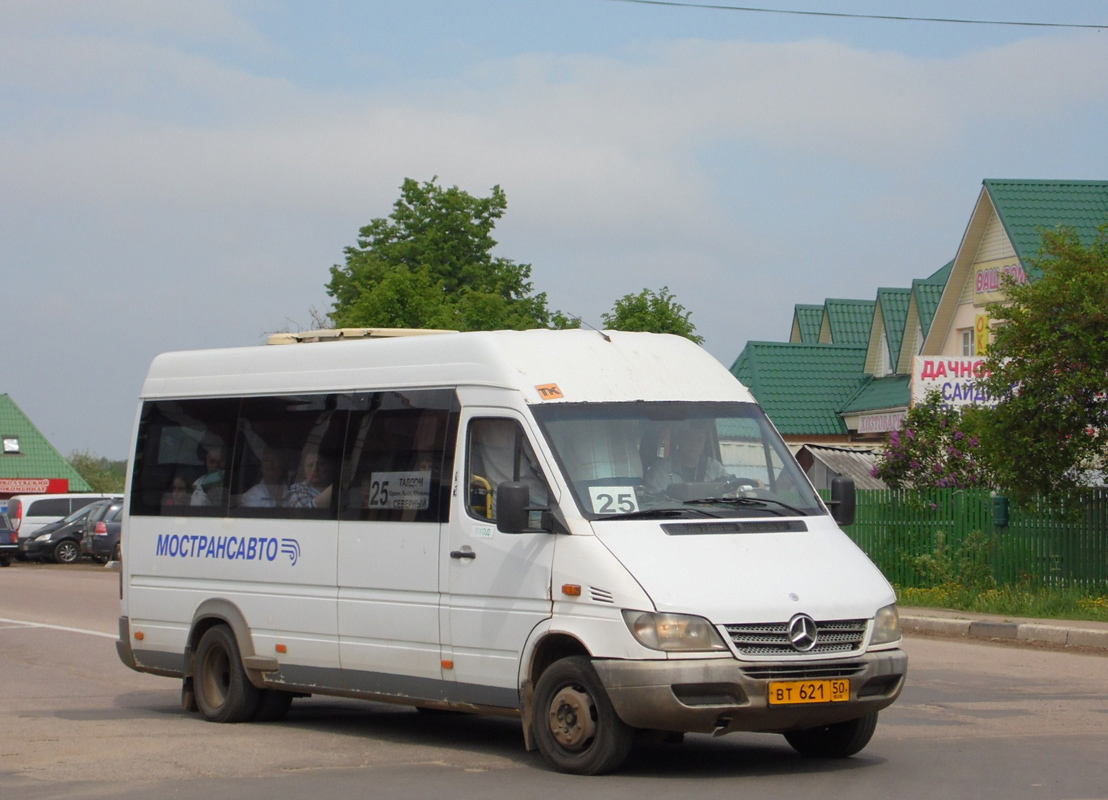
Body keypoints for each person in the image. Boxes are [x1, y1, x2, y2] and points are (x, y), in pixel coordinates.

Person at [644, 421, 728, 493]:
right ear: (680, 439)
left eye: (699, 439)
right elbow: (655, 505)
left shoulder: (715, 468)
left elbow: (731, 488)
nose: (694, 444)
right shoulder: (661, 471)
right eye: (690, 438)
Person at [191, 441, 225, 506]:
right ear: (206, 463)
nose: (215, 465)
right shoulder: (199, 487)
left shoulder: (233, 478)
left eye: (219, 462)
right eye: (212, 461)